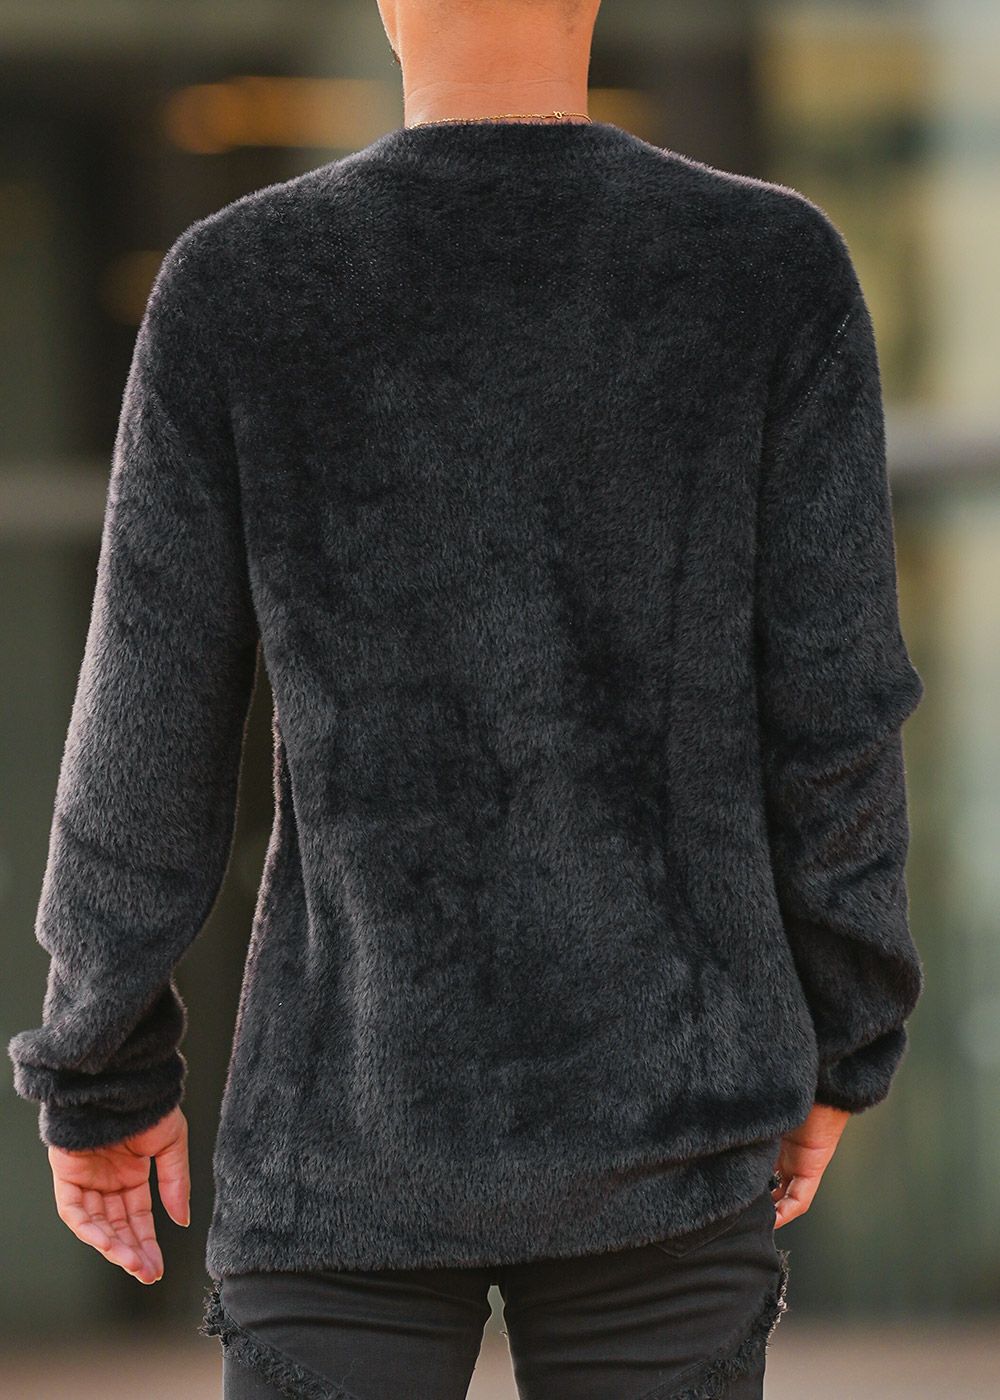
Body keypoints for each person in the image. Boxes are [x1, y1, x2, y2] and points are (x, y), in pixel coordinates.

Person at [8, 0, 926, 1396]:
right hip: (671, 1122)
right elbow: (837, 713)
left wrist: (100, 1068)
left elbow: (145, 730)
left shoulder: (241, 283)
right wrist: (845, 1031)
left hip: (342, 1127)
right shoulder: (767, 268)